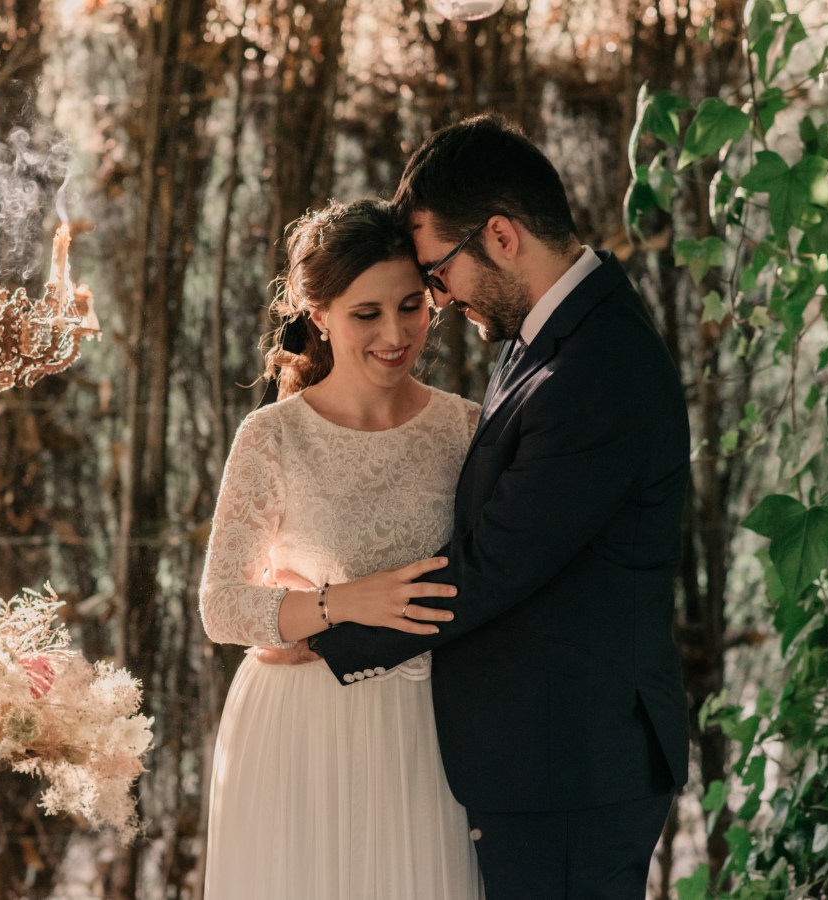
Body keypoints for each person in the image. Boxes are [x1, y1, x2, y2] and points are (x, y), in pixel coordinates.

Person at [310, 115, 691, 899]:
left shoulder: (598, 365)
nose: (440, 299)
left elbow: (495, 565)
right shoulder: (546, 337)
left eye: (438, 273)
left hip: (575, 766)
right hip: (544, 760)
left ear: (502, 236)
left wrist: (328, 635)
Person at [199, 199, 485, 900]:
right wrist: (337, 605)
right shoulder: (273, 437)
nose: (396, 333)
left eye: (412, 305)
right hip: (301, 731)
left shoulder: (466, 428)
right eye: (367, 314)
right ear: (319, 314)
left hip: (427, 732)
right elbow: (222, 607)